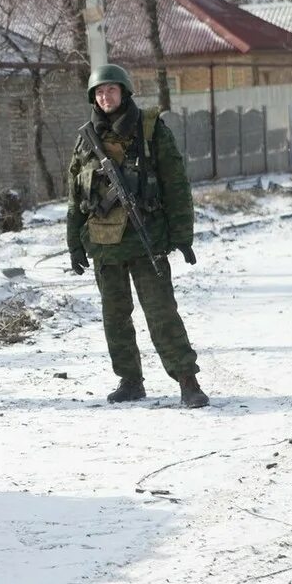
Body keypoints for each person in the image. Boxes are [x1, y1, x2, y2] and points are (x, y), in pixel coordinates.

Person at [66, 64, 209, 408]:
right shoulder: (86, 138)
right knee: (115, 315)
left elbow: (175, 183)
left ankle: (187, 380)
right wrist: (73, 242)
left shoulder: (150, 129)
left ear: (125, 91)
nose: (105, 97)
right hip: (102, 242)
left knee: (161, 312)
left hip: (148, 238)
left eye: (111, 90)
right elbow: (75, 194)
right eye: (99, 93)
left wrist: (182, 235)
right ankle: (129, 379)